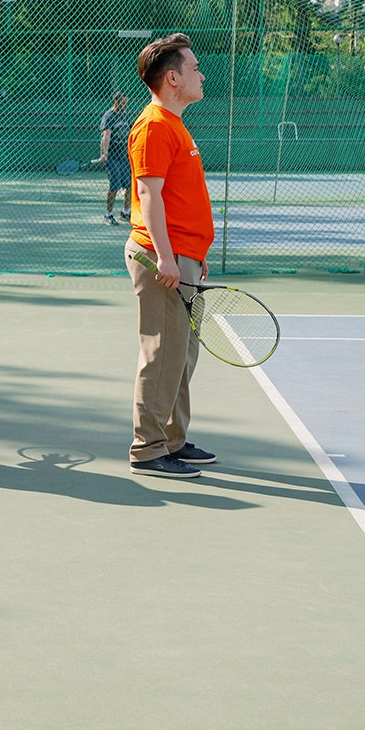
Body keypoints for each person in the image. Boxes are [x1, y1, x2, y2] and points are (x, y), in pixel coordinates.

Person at [127, 34, 217, 481]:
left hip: (184, 258)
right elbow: (149, 194)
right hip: (161, 260)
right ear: (173, 78)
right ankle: (147, 450)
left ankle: (172, 440)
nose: (203, 75)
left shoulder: (175, 123)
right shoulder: (154, 126)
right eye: (195, 68)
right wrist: (166, 257)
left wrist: (193, 254)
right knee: (162, 354)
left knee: (181, 354)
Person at [96, 89, 132, 225]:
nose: (125, 105)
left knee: (129, 186)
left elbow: (131, 132)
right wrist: (104, 154)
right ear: (116, 102)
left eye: (126, 102)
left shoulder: (125, 115)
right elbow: (106, 136)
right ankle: (108, 215)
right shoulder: (109, 116)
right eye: (123, 102)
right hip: (113, 157)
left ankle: (125, 212)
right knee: (115, 186)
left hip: (125, 156)